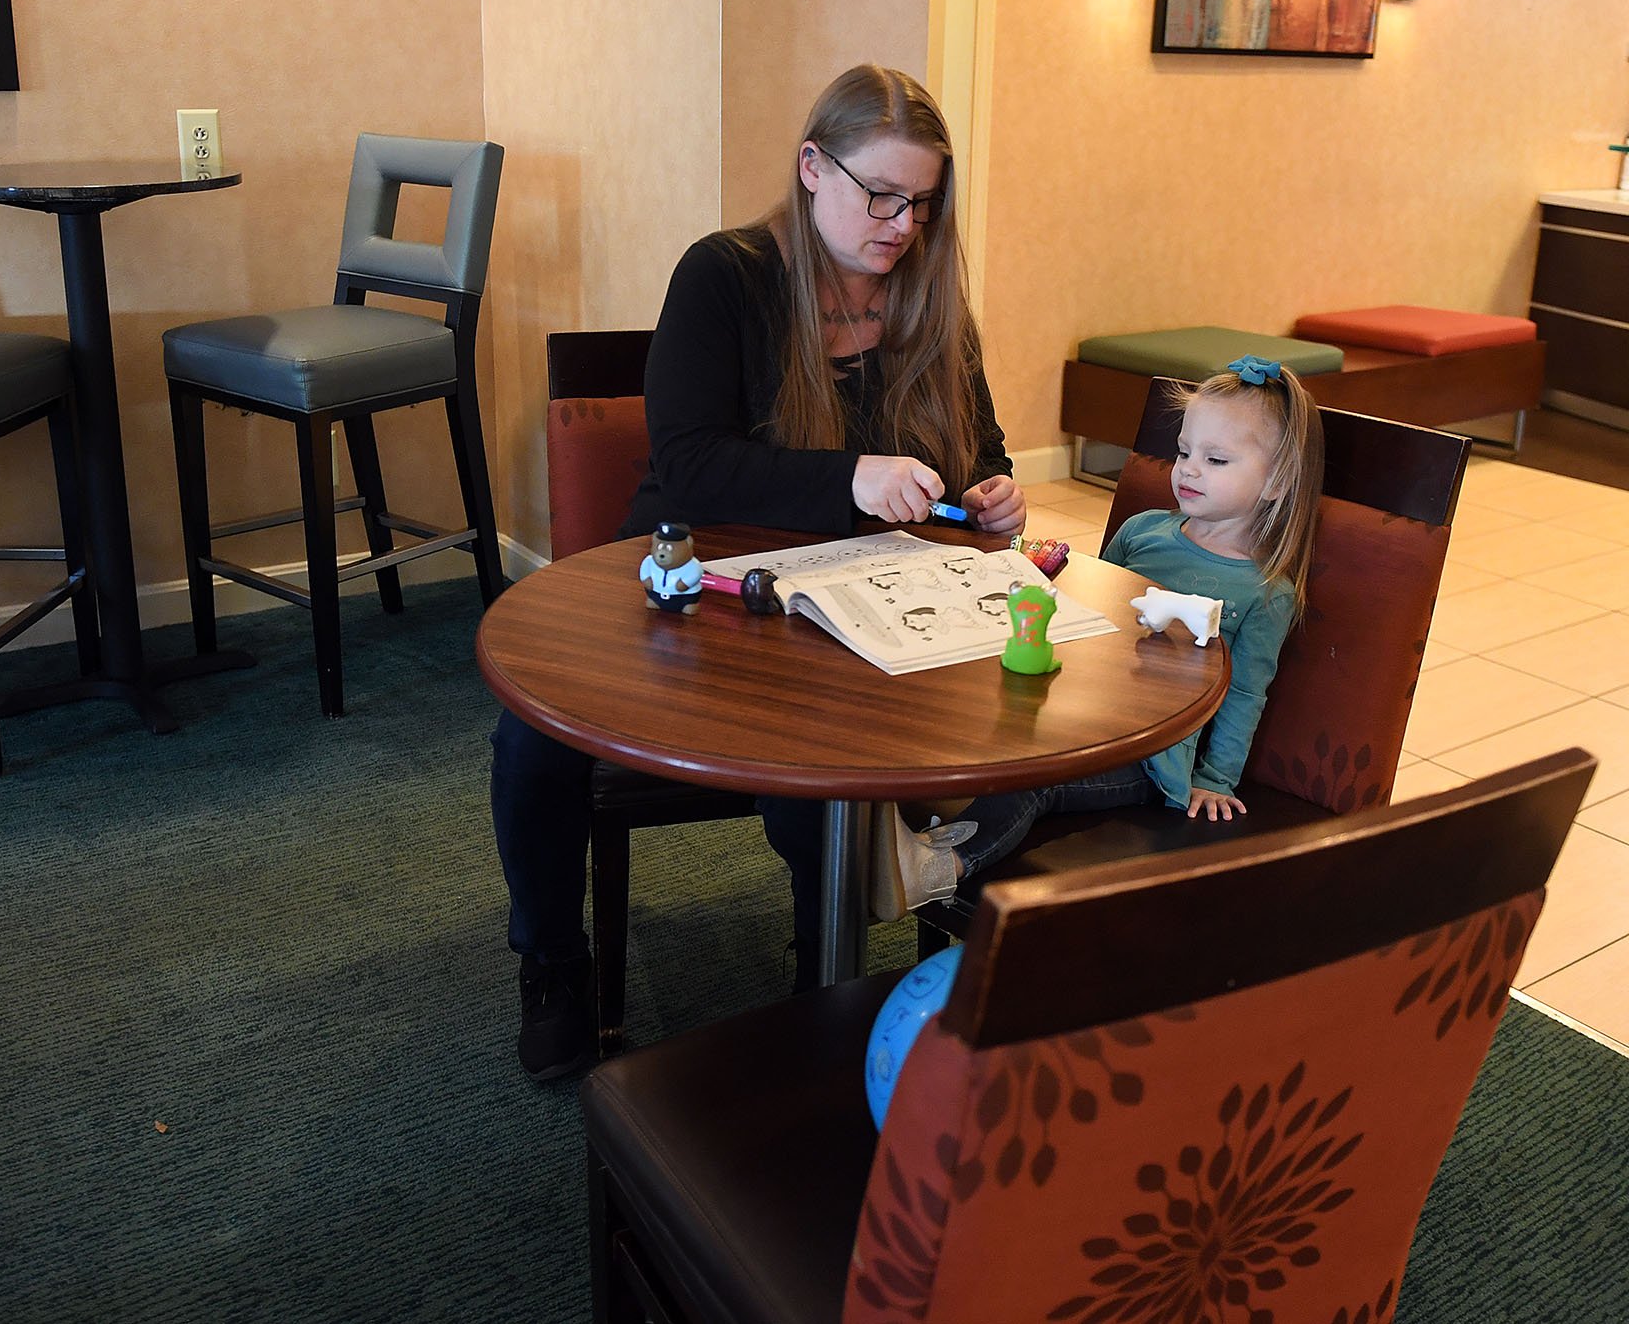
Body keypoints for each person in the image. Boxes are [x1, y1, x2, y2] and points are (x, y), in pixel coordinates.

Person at [490, 64, 1027, 1081]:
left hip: (855, 597)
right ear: (810, 167)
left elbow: (975, 451)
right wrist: (852, 478)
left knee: (876, 741)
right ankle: (552, 960)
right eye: (880, 194)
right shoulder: (724, 276)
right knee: (531, 736)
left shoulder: (926, 289)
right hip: (698, 589)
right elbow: (689, 464)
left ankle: (829, 957)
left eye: (921, 201)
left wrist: (991, 487)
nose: (901, 224)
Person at [872, 356, 1326, 918]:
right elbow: (1085, 617)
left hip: (1150, 756)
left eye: (1215, 459)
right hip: (1089, 711)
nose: (1187, 470)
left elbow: (1246, 693)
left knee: (1034, 784)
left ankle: (936, 871)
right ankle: (900, 832)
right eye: (1184, 452)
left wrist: (1211, 779)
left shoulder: (1264, 591)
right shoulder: (1142, 531)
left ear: (1279, 480)